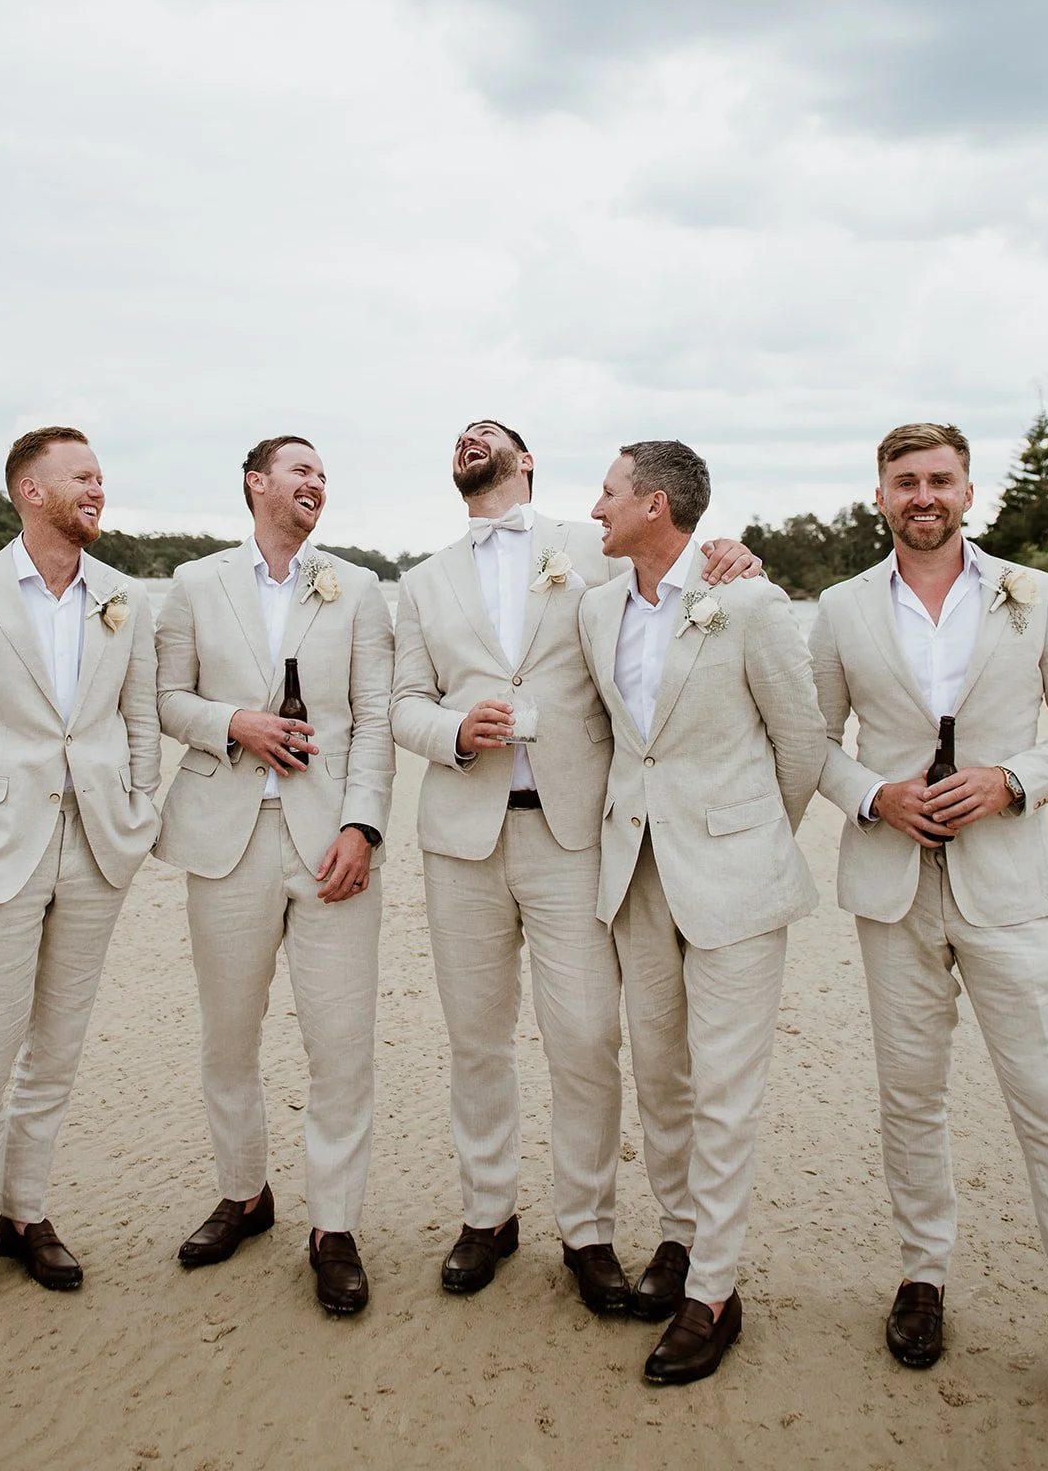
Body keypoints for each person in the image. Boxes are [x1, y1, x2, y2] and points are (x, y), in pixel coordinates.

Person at [391, 419, 758, 1317]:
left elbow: (663, 588)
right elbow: (402, 702)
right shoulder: (422, 580)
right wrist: (450, 732)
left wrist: (730, 555)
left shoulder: (589, 546)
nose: (469, 439)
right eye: (459, 436)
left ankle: (586, 1230)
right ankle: (487, 1215)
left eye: (489, 433)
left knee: (587, 1037)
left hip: (575, 836)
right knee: (476, 1038)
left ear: (525, 463)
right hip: (461, 837)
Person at [809, 422, 1048, 1378]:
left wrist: (1014, 778)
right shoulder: (842, 608)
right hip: (893, 889)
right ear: (879, 496)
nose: (922, 495)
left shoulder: (1035, 594)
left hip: (1007, 888)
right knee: (911, 1097)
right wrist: (871, 796)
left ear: (970, 492)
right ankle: (922, 1276)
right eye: (904, 482)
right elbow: (812, 742)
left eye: (939, 480)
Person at [0, 426, 161, 1317]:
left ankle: (28, 1215)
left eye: (101, 474)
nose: (98, 488)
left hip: (93, 848)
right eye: (81, 476)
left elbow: (138, 724)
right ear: (31, 491)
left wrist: (136, 811)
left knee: (55, 1052)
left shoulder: (123, 597)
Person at [578, 438, 825, 1384]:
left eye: (607, 493)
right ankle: (680, 1238)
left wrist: (753, 835)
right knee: (662, 1078)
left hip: (736, 881)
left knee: (724, 1091)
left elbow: (799, 743)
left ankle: (714, 1292)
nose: (595, 508)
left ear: (655, 505)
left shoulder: (750, 604)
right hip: (635, 875)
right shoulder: (598, 606)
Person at [154, 436, 393, 1316]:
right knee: (229, 1035)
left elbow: (372, 721)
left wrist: (363, 827)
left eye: (325, 475)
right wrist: (234, 724)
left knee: (340, 1045)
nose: (316, 483)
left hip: (330, 839)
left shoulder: (358, 587)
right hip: (224, 838)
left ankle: (334, 1227)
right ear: (256, 483)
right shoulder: (192, 584)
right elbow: (165, 699)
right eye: (301, 470)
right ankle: (244, 1194)